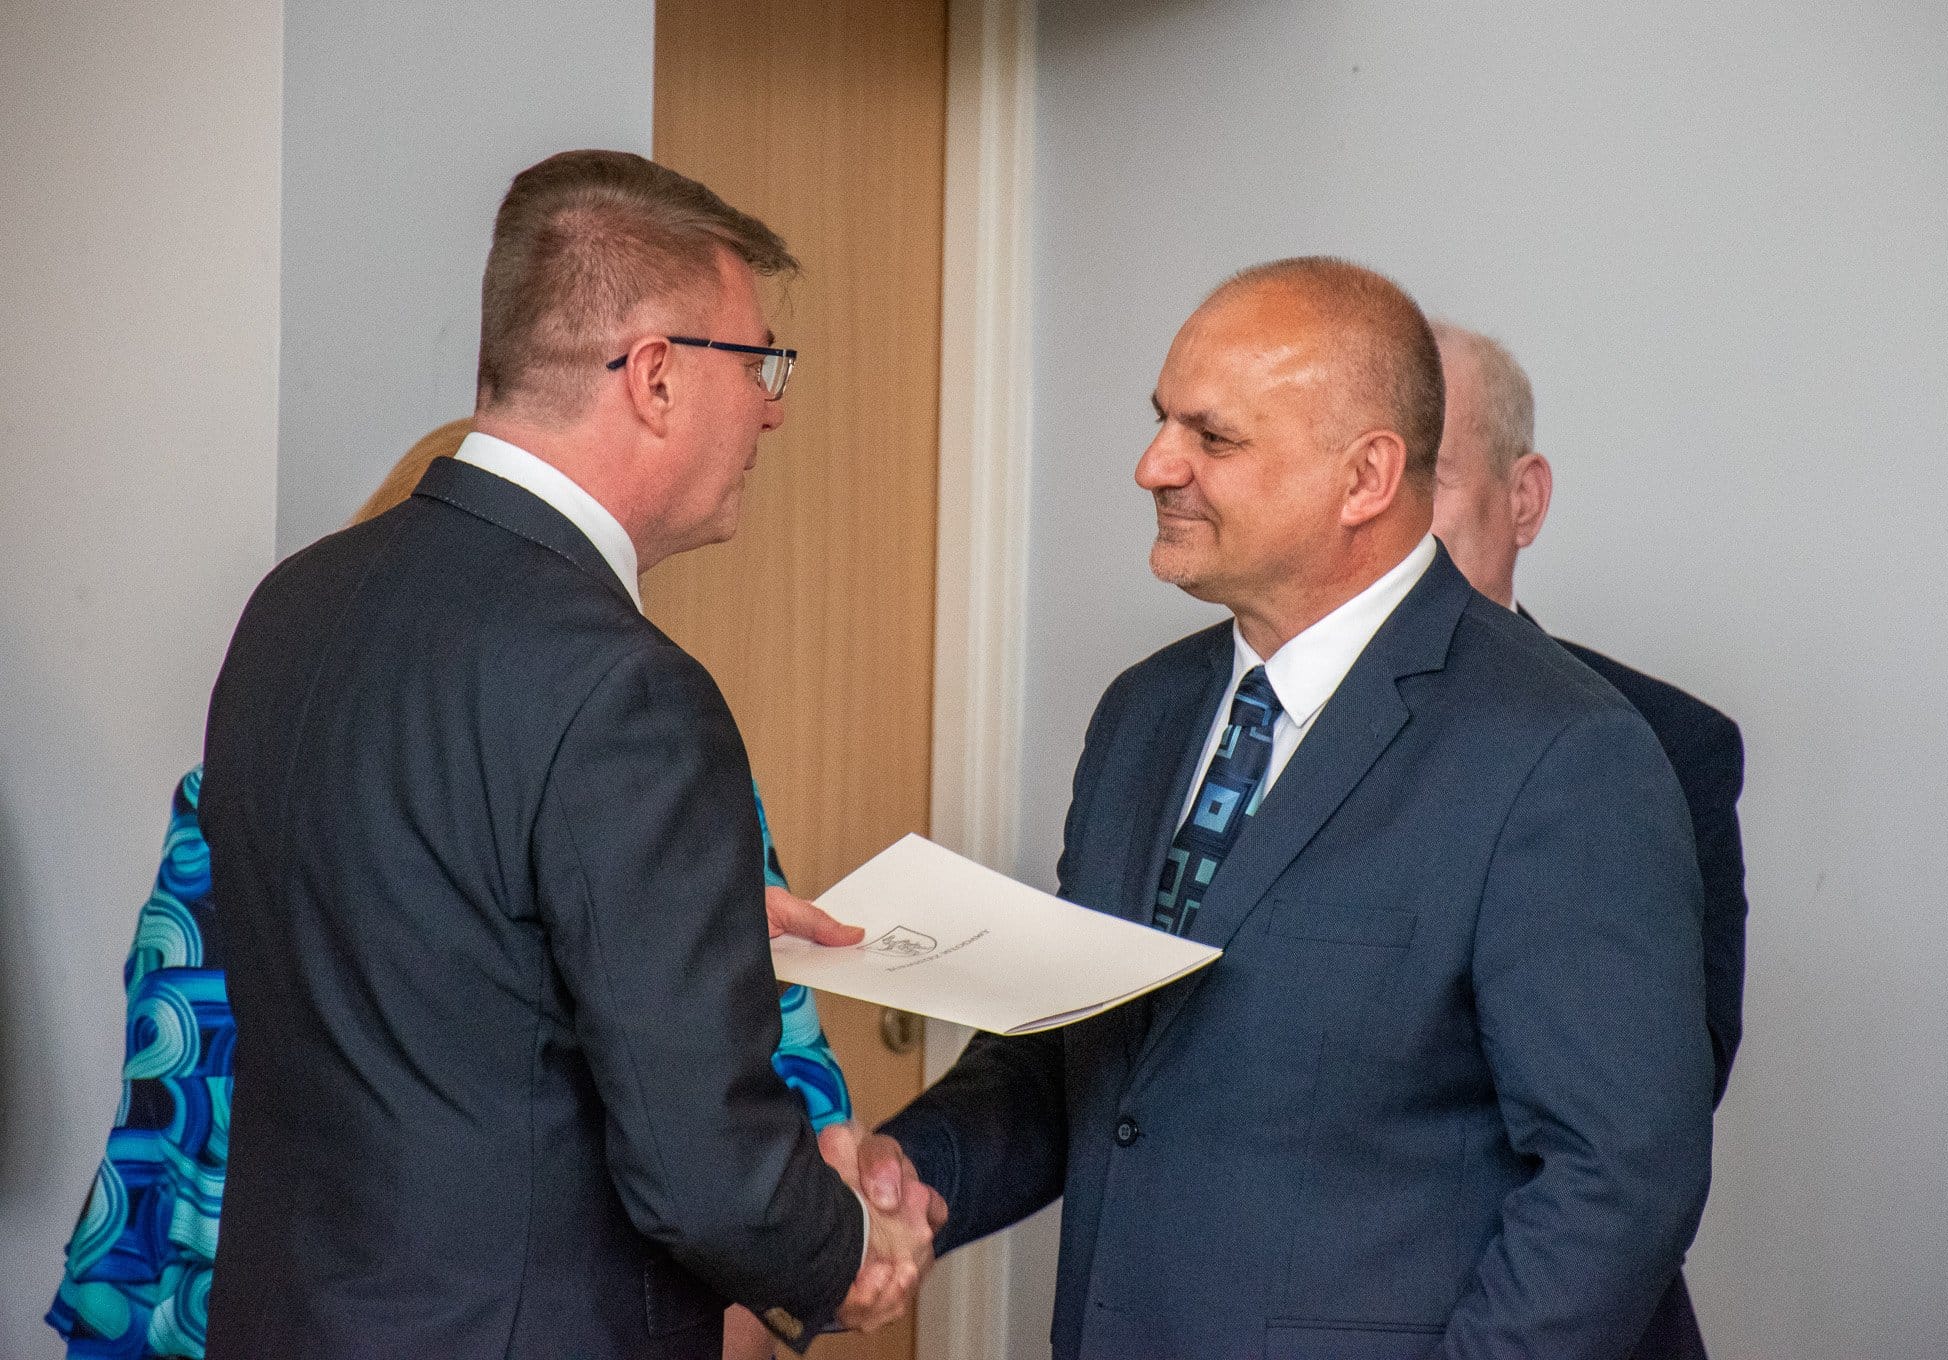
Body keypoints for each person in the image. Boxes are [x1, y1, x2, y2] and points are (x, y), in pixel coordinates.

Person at [861, 257, 1714, 1359]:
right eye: (1161, 421)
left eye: (1211, 438)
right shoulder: (1142, 713)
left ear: (1366, 478)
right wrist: (903, 1175)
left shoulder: (1561, 750)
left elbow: (1617, 1182)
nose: (1153, 465)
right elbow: (1086, 1053)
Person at [197, 150, 937, 1360]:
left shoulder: (294, 603)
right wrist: (849, 1250)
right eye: (759, 364)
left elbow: (402, 931)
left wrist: (671, 926)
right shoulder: (626, 686)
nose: (772, 408)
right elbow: (703, 1177)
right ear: (655, 375)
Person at [46, 425, 879, 1360]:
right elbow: (731, 1159)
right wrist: (842, 1253)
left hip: (247, 1299)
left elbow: (168, 1086)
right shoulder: (625, 732)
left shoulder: (248, 746)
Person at [1428, 320, 1748, 1358]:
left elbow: (1649, 1116)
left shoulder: (1660, 741)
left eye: (1429, 477)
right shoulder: (1251, 725)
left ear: (1522, 499)